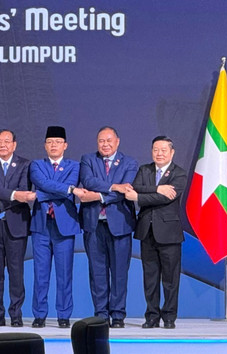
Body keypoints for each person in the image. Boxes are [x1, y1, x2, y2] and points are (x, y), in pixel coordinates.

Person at [74, 126, 138, 328]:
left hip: (120, 225)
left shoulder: (130, 162)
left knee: (120, 272)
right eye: (101, 140)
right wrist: (111, 187)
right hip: (94, 224)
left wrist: (98, 195)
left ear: (117, 142)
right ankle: (101, 314)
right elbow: (88, 180)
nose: (105, 144)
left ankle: (118, 315)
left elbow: (125, 190)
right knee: (97, 272)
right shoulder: (87, 160)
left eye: (109, 140)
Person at [125, 135, 187, 329]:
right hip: (147, 232)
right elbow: (136, 188)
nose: (159, 154)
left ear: (172, 152)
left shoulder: (180, 174)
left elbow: (165, 199)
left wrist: (141, 197)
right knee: (150, 278)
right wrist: (158, 188)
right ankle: (151, 316)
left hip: (169, 233)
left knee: (170, 278)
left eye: (163, 150)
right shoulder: (144, 169)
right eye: (155, 150)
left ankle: (169, 317)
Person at [0, 129, 35, 327]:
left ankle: (16, 314)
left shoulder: (25, 164)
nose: (2, 145)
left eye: (6, 141)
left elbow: (24, 194)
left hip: (16, 224)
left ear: (14, 145)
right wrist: (13, 195)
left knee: (16, 272)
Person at [29, 126, 80, 329]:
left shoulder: (74, 166)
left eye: (58, 142)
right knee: (40, 274)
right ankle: (39, 314)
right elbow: (43, 183)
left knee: (64, 273)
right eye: (50, 142)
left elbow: (52, 189)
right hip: (41, 225)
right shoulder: (36, 165)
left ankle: (64, 315)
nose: (53, 145)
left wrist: (41, 194)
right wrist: (67, 189)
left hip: (64, 225)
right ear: (45, 145)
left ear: (65, 146)